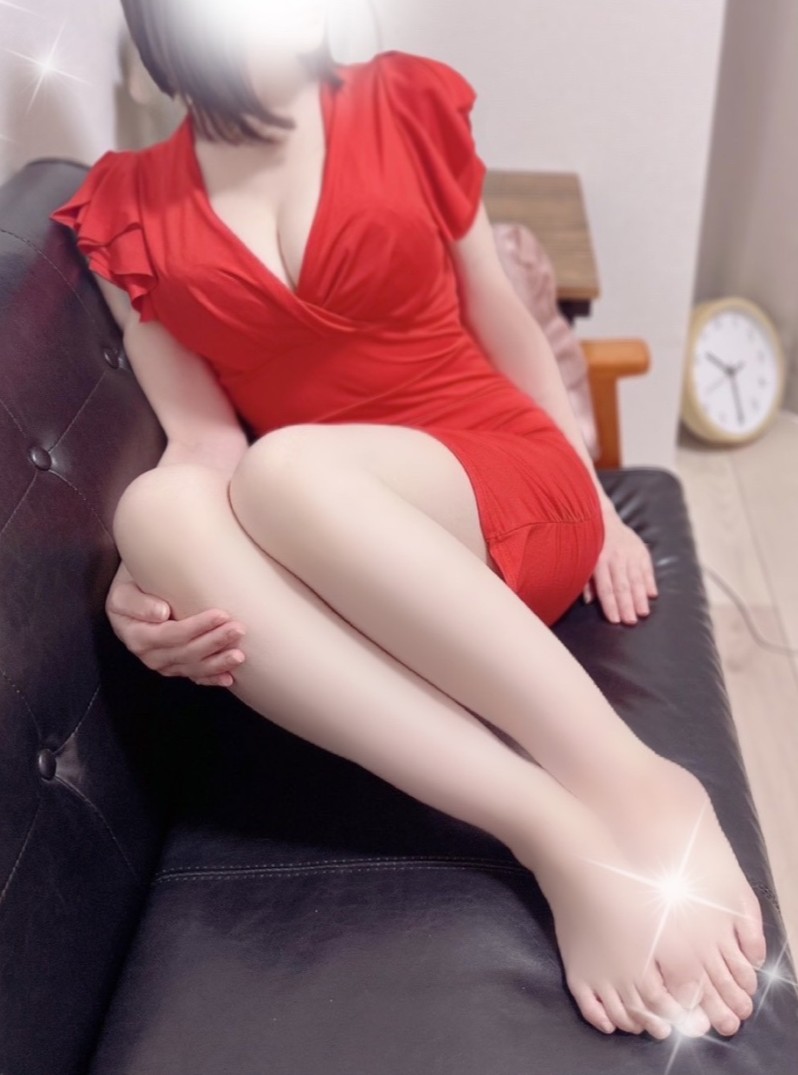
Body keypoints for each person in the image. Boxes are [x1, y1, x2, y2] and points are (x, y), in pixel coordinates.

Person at [50, 0, 765, 1042]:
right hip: (342, 547)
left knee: (289, 470)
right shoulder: (126, 208)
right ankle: (551, 831)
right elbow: (204, 443)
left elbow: (504, 323)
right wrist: (142, 577)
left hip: (497, 478)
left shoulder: (402, 100)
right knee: (158, 510)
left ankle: (645, 789)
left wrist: (595, 489)